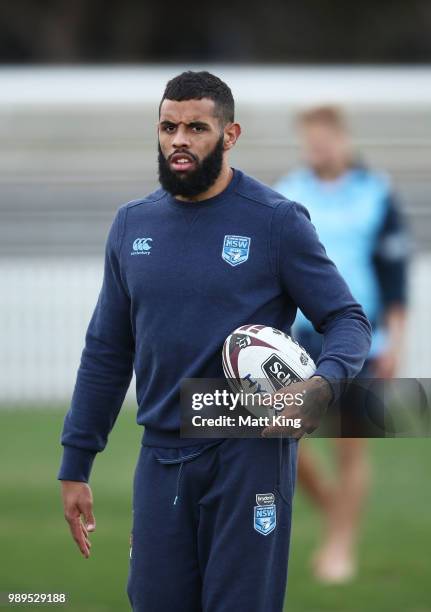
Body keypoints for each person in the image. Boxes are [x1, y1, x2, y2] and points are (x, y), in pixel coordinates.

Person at [58, 73, 371, 612]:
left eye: (196, 127)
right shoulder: (132, 226)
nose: (179, 139)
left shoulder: (276, 222)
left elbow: (346, 318)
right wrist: (76, 461)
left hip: (249, 454)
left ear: (229, 135)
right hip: (160, 455)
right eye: (168, 127)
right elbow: (108, 350)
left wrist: (323, 383)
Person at [274, 105, 408, 583]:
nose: (318, 148)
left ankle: (340, 545)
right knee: (285, 437)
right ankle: (335, 510)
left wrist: (397, 339)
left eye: (325, 139)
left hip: (361, 337)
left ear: (343, 140)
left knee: (350, 444)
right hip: (299, 340)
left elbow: (394, 274)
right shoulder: (288, 193)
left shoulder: (375, 193)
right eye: (309, 141)